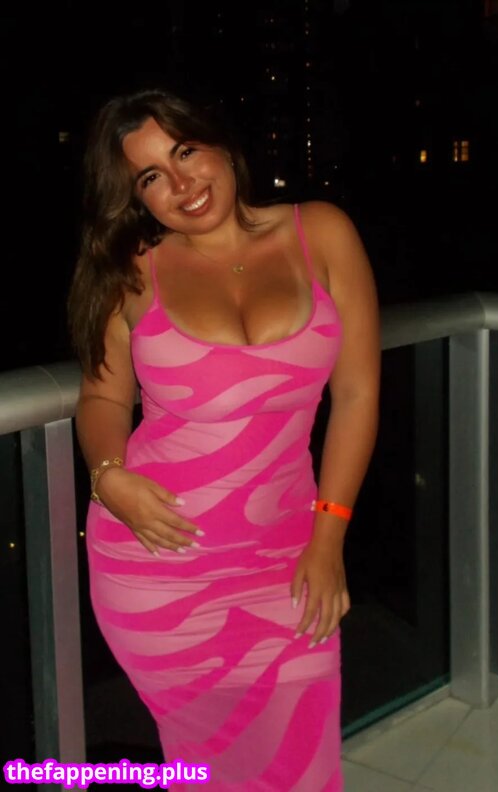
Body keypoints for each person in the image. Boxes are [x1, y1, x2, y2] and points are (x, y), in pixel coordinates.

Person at [68, 87, 380, 791]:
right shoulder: (132, 271)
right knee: (209, 772)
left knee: (304, 767)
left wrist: (328, 538)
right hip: (158, 565)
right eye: (151, 177)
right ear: (136, 199)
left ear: (220, 145)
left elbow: (358, 395)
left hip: (290, 557)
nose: (181, 184)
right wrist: (108, 474)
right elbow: (102, 396)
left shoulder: (322, 232)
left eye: (185, 152)